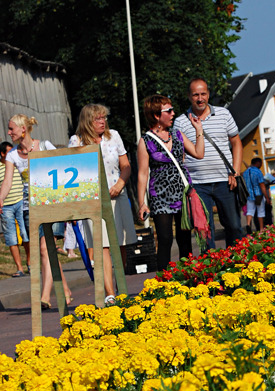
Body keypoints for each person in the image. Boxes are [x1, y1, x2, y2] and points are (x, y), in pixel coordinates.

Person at [0, 114, 71, 309]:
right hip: (29, 208)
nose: (8, 132)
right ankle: (65, 289)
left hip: (52, 204)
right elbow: (7, 182)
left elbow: (65, 168)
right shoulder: (13, 155)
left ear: (23, 129)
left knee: (44, 249)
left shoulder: (46, 146)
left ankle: (45, 296)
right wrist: (0, 199)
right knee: (46, 251)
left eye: (11, 128)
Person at [69, 104, 138, 305]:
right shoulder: (76, 140)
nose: (103, 122)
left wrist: (120, 183)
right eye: (98, 119)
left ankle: (119, 284)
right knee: (103, 246)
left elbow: (125, 165)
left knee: (121, 244)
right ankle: (109, 293)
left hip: (118, 195)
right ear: (87, 121)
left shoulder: (113, 136)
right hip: (95, 201)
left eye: (104, 118)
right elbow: (73, 170)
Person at [137, 93, 205, 270]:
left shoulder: (178, 134)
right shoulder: (145, 141)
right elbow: (143, 174)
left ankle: (188, 278)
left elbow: (199, 153)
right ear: (156, 115)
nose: (173, 113)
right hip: (159, 196)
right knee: (165, 239)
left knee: (184, 239)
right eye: (169, 110)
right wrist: (142, 203)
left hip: (182, 194)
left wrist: (199, 131)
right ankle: (164, 282)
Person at [173, 78, 243, 249]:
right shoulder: (180, 122)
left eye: (203, 94)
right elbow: (180, 154)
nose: (200, 98)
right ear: (189, 96)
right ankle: (211, 267)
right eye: (195, 94)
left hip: (225, 180)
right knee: (204, 231)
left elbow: (236, 142)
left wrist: (236, 171)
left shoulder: (223, 114)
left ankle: (237, 263)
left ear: (208, 94)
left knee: (234, 226)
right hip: (197, 183)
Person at [0, 140, 30, 276]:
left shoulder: (16, 164)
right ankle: (20, 268)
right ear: (2, 154)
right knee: (11, 237)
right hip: (5, 207)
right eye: (8, 152)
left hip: (20, 203)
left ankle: (30, 263)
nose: (13, 154)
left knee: (26, 235)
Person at [243, 157, 269, 233]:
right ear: (257, 163)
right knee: (261, 212)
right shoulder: (258, 172)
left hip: (249, 195)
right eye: (260, 163)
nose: (260, 165)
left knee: (250, 211)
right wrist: (266, 197)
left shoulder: (245, 172)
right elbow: (262, 185)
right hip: (258, 195)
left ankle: (248, 225)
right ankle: (261, 229)